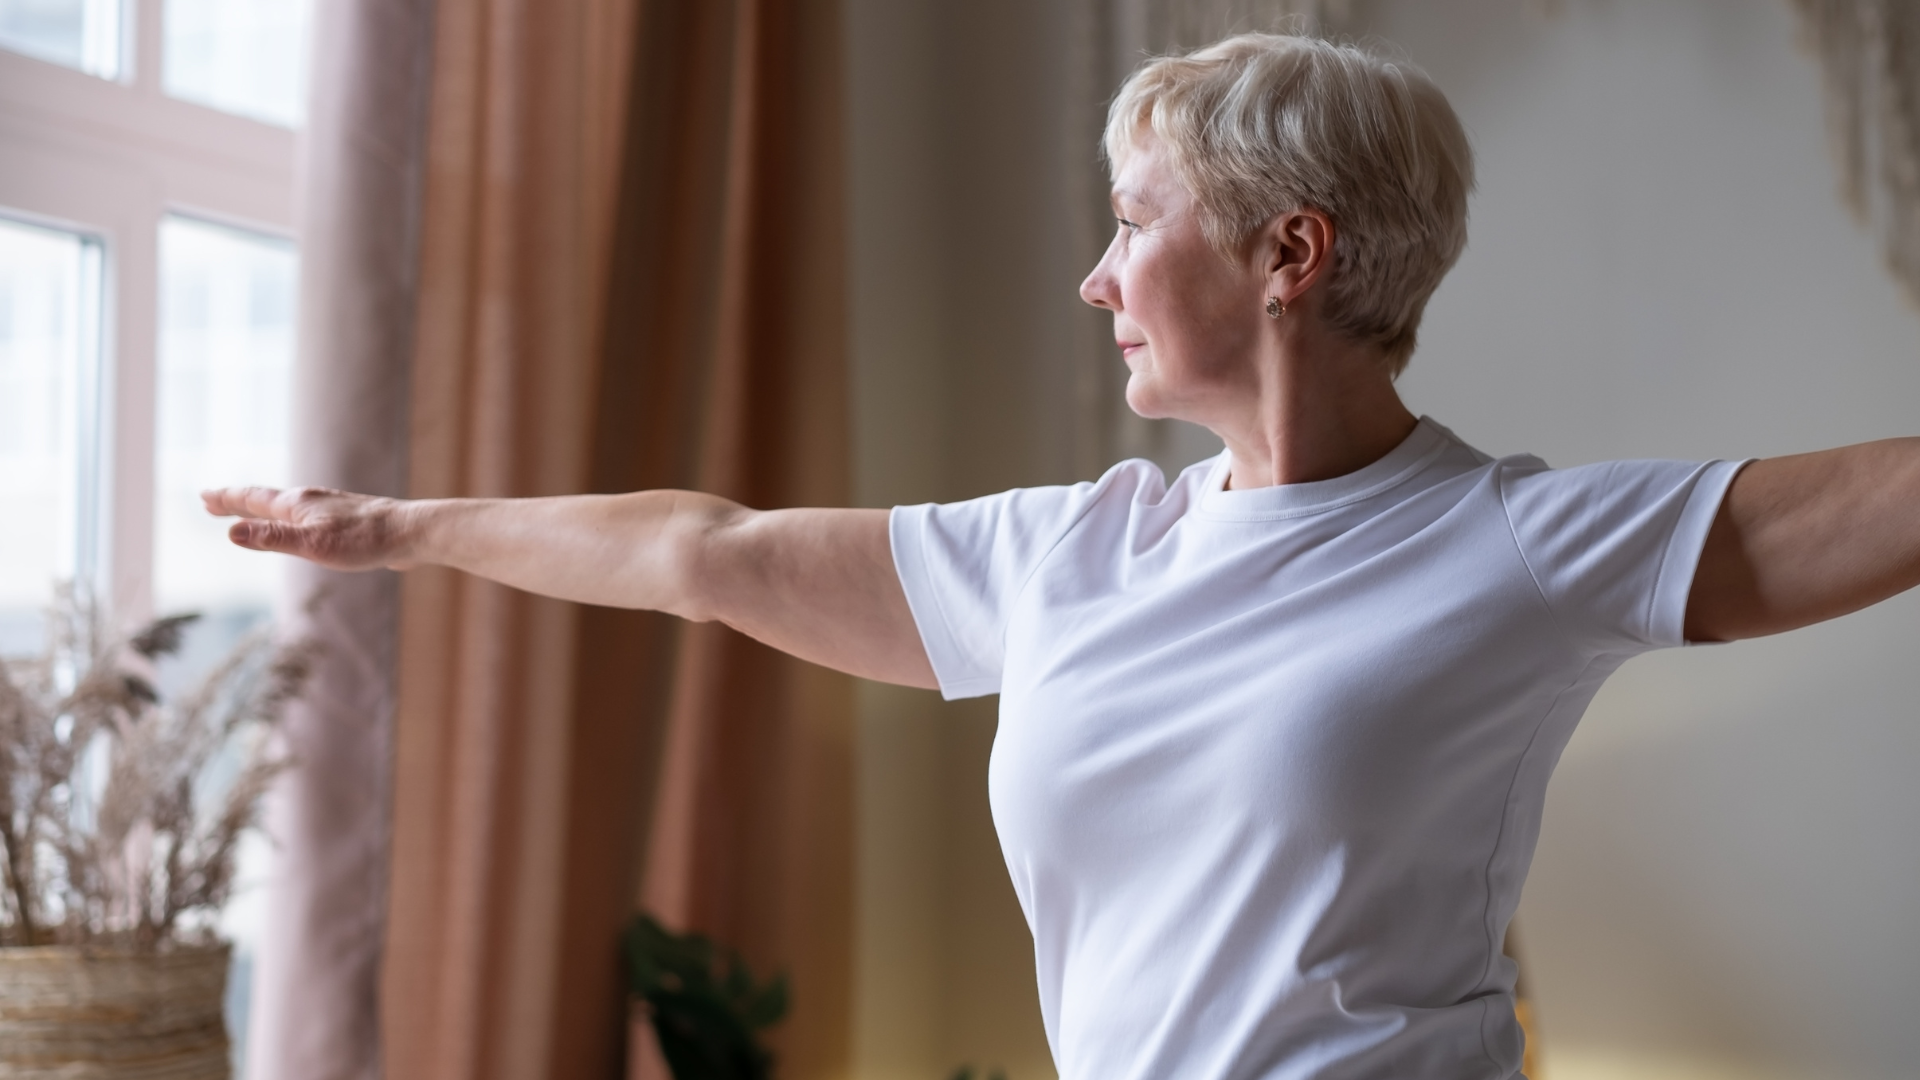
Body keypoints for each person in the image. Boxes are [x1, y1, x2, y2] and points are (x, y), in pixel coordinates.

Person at [204, 32, 1920, 1080]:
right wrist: (403, 528)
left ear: (1288, 253)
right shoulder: (1070, 556)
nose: (1094, 278)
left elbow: (1871, 501)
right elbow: (701, 551)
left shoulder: (1512, 545)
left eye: (1130, 221)